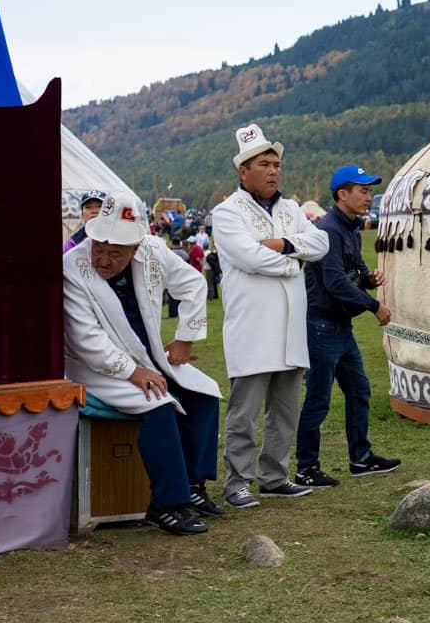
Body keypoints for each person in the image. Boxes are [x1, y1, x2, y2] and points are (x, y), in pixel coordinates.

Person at [62, 191, 224, 535]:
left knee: (205, 394)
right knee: (157, 404)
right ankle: (167, 504)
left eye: (115, 253)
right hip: (94, 367)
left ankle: (193, 486)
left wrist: (184, 337)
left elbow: (194, 283)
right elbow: (85, 340)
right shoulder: (72, 267)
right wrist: (133, 372)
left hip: (148, 355)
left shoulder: (152, 251)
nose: (103, 259)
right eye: (99, 249)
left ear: (135, 248)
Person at [213, 123, 329, 508]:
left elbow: (321, 242)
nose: (274, 170)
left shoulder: (292, 209)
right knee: (244, 412)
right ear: (243, 170)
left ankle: (275, 476)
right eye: (264, 163)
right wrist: (291, 264)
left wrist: (282, 244)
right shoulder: (228, 212)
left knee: (284, 409)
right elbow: (246, 254)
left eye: (277, 163)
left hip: (290, 328)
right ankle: (237, 481)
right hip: (252, 327)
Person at [295, 165, 399, 487]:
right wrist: (374, 305)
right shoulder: (328, 230)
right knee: (318, 398)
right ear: (343, 194)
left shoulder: (351, 228)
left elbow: (353, 269)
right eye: (363, 190)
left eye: (369, 191)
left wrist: (368, 279)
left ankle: (360, 458)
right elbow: (335, 282)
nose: (368, 197)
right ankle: (306, 468)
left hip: (340, 326)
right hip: (322, 326)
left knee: (359, 390)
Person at [166, 237, 189, 318]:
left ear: (172, 243)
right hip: (182, 276)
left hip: (172, 276)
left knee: (172, 296)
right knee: (181, 295)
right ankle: (181, 312)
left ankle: (173, 313)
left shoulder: (170, 253)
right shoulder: (184, 253)